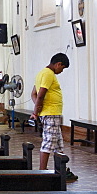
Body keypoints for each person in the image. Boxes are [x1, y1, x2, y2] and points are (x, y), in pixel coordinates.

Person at [29, 53, 77, 182]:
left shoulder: (41, 73)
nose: (61, 71)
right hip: (50, 113)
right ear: (58, 64)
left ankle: (62, 170)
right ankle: (42, 171)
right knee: (49, 142)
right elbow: (40, 95)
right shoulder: (49, 74)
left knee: (58, 144)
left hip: (50, 112)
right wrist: (36, 112)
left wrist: (39, 108)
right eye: (62, 68)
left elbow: (33, 94)